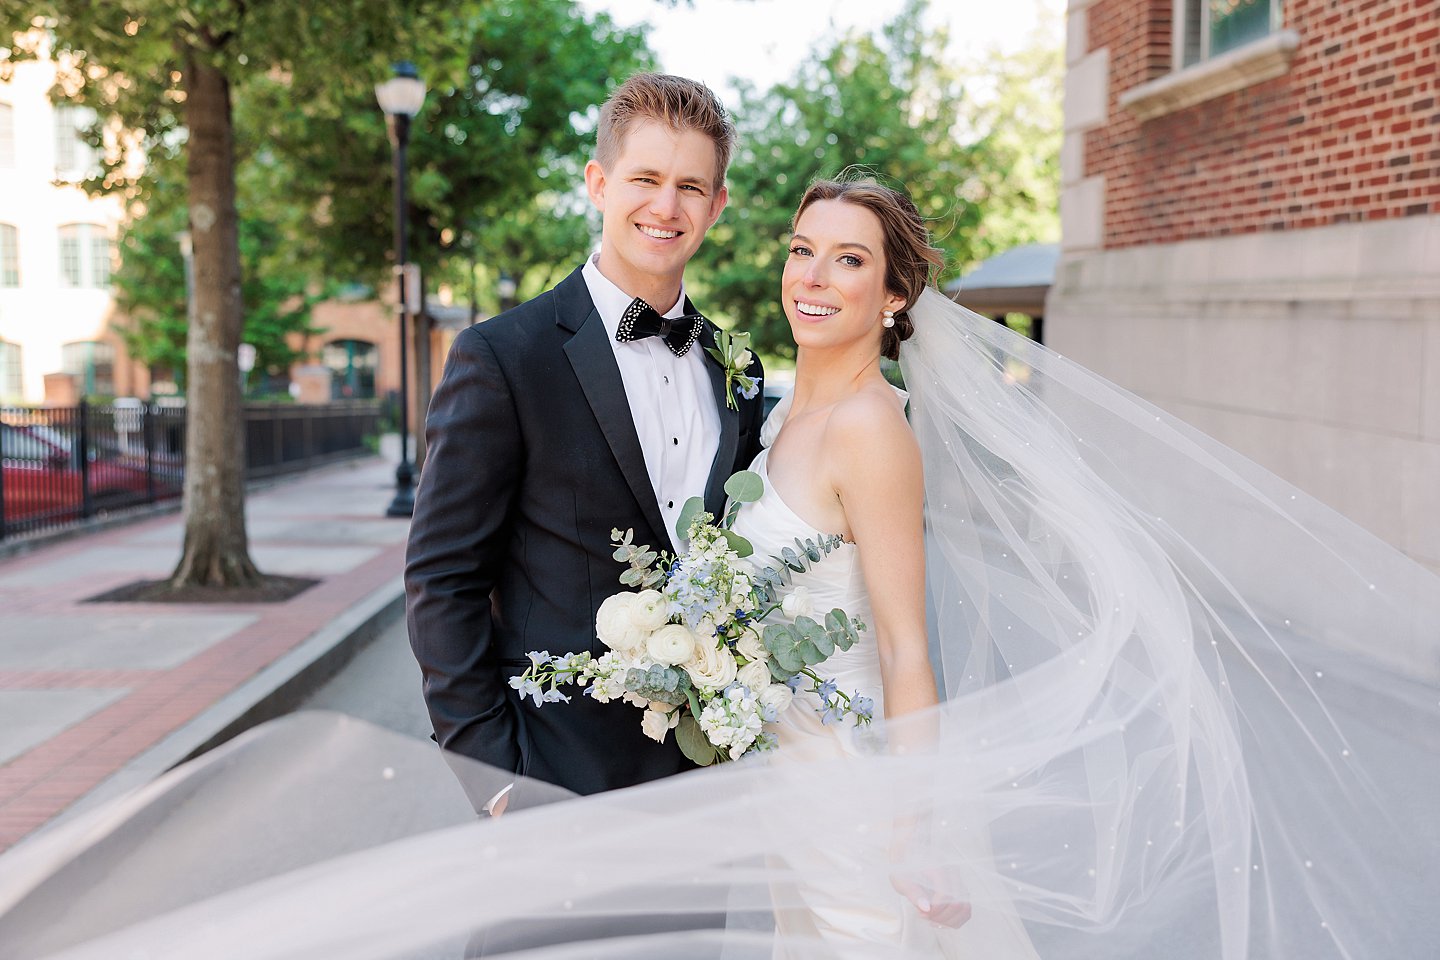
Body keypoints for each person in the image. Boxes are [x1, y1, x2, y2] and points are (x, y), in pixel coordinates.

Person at [5, 177, 1437, 960]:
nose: (813, 278)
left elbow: (910, 642)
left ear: (897, 293)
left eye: (849, 262)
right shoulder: (777, 399)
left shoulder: (874, 426)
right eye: (802, 252)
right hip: (777, 771)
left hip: (858, 784)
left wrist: (920, 817)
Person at [404, 73, 766, 805]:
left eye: (692, 186)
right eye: (645, 178)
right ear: (599, 183)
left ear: (717, 205)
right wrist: (496, 779)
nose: (667, 206)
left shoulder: (739, 367)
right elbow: (442, 580)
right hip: (553, 774)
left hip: (708, 782)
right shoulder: (504, 357)